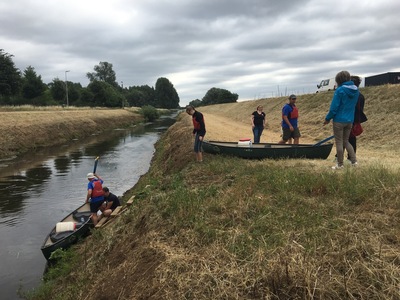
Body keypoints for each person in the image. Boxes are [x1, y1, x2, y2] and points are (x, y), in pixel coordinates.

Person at [323, 71, 359, 169]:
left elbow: (334, 108)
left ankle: (340, 164)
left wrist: (327, 119)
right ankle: (354, 161)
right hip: (350, 120)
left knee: (339, 142)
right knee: (346, 141)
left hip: (339, 120)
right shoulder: (356, 90)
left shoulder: (339, 90)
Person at [348, 75, 367, 156]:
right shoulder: (360, 95)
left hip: (350, 119)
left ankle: (350, 158)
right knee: (349, 138)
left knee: (349, 138)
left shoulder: (353, 95)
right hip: (355, 119)